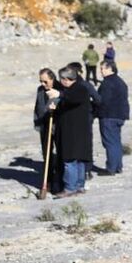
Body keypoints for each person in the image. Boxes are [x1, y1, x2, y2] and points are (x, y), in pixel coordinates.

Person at [46, 67, 92, 197]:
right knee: (77, 160)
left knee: (71, 160)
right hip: (73, 131)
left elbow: (73, 98)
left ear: (68, 79)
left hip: (74, 132)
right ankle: (78, 187)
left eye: (64, 79)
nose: (62, 81)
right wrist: (54, 106)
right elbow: (66, 103)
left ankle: (71, 188)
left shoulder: (80, 88)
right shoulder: (69, 90)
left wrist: (59, 95)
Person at [68, 62, 101, 180]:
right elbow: (98, 100)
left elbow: (98, 100)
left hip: (72, 120)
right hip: (85, 119)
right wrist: (92, 112)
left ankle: (78, 170)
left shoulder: (69, 86)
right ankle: (86, 170)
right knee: (86, 145)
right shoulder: (86, 85)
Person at [96, 59, 130, 175]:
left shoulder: (107, 83)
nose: (101, 71)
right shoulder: (121, 82)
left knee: (110, 142)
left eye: (102, 68)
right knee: (116, 142)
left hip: (109, 116)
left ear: (110, 68)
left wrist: (95, 110)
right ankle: (117, 166)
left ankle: (111, 168)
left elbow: (102, 100)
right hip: (120, 116)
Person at [34, 68, 61, 193]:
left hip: (58, 125)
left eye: (45, 81)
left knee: (61, 154)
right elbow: (37, 107)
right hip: (45, 126)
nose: (43, 84)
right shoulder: (40, 90)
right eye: (41, 81)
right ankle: (48, 181)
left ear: (52, 79)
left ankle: (60, 181)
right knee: (47, 154)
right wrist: (37, 122)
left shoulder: (60, 89)